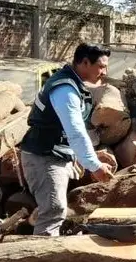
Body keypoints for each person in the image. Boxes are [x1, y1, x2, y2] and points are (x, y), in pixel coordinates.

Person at [20, 43, 115, 236]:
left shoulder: (73, 84)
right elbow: (75, 131)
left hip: (53, 154)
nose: (104, 72)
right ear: (85, 63)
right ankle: (40, 260)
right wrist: (94, 166)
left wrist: (77, 157)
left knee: (55, 209)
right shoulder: (65, 90)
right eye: (101, 66)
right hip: (44, 158)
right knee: (53, 212)